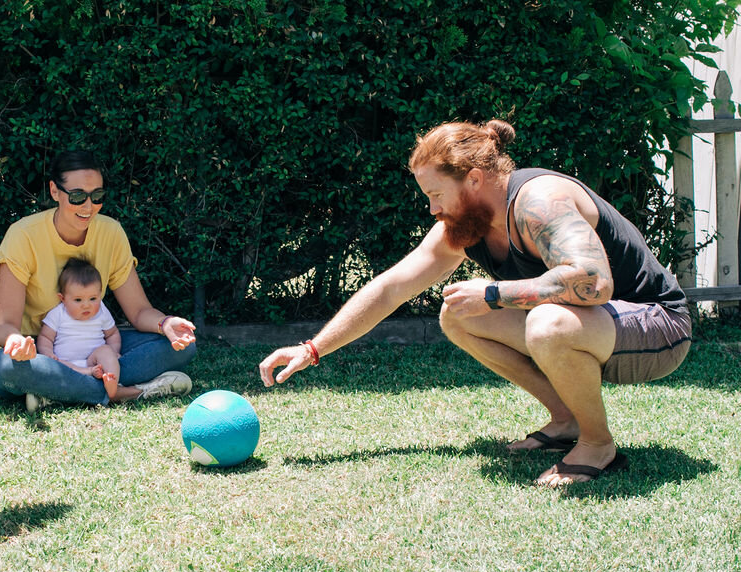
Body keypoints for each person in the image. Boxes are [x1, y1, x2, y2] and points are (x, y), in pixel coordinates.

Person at [259, 119, 691, 486]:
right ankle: (567, 420)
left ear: (474, 179)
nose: (432, 209)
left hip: (658, 328)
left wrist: (493, 293)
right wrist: (312, 348)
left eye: (436, 195)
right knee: (457, 316)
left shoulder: (538, 202)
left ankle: (598, 447)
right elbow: (391, 288)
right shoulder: (467, 223)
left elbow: (595, 282)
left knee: (547, 323)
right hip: (596, 330)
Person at [0, 150, 197, 408]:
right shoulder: (23, 236)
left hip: (96, 348)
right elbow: (4, 325)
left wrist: (165, 323)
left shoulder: (111, 232)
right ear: (54, 191)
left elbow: (139, 311)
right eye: (77, 197)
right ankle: (120, 390)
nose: (88, 207)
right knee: (5, 367)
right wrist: (16, 341)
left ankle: (59, 390)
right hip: (41, 352)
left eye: (97, 196)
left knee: (182, 347)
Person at [34, 258, 122, 405]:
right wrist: (49, 353)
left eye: (93, 298)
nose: (86, 305)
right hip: (67, 364)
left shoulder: (102, 311)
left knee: (106, 351)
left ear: (100, 295)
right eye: (78, 300)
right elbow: (45, 338)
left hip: (95, 361)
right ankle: (90, 377)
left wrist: (113, 352)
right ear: (63, 299)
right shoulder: (58, 314)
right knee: (53, 366)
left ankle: (111, 383)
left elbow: (112, 334)